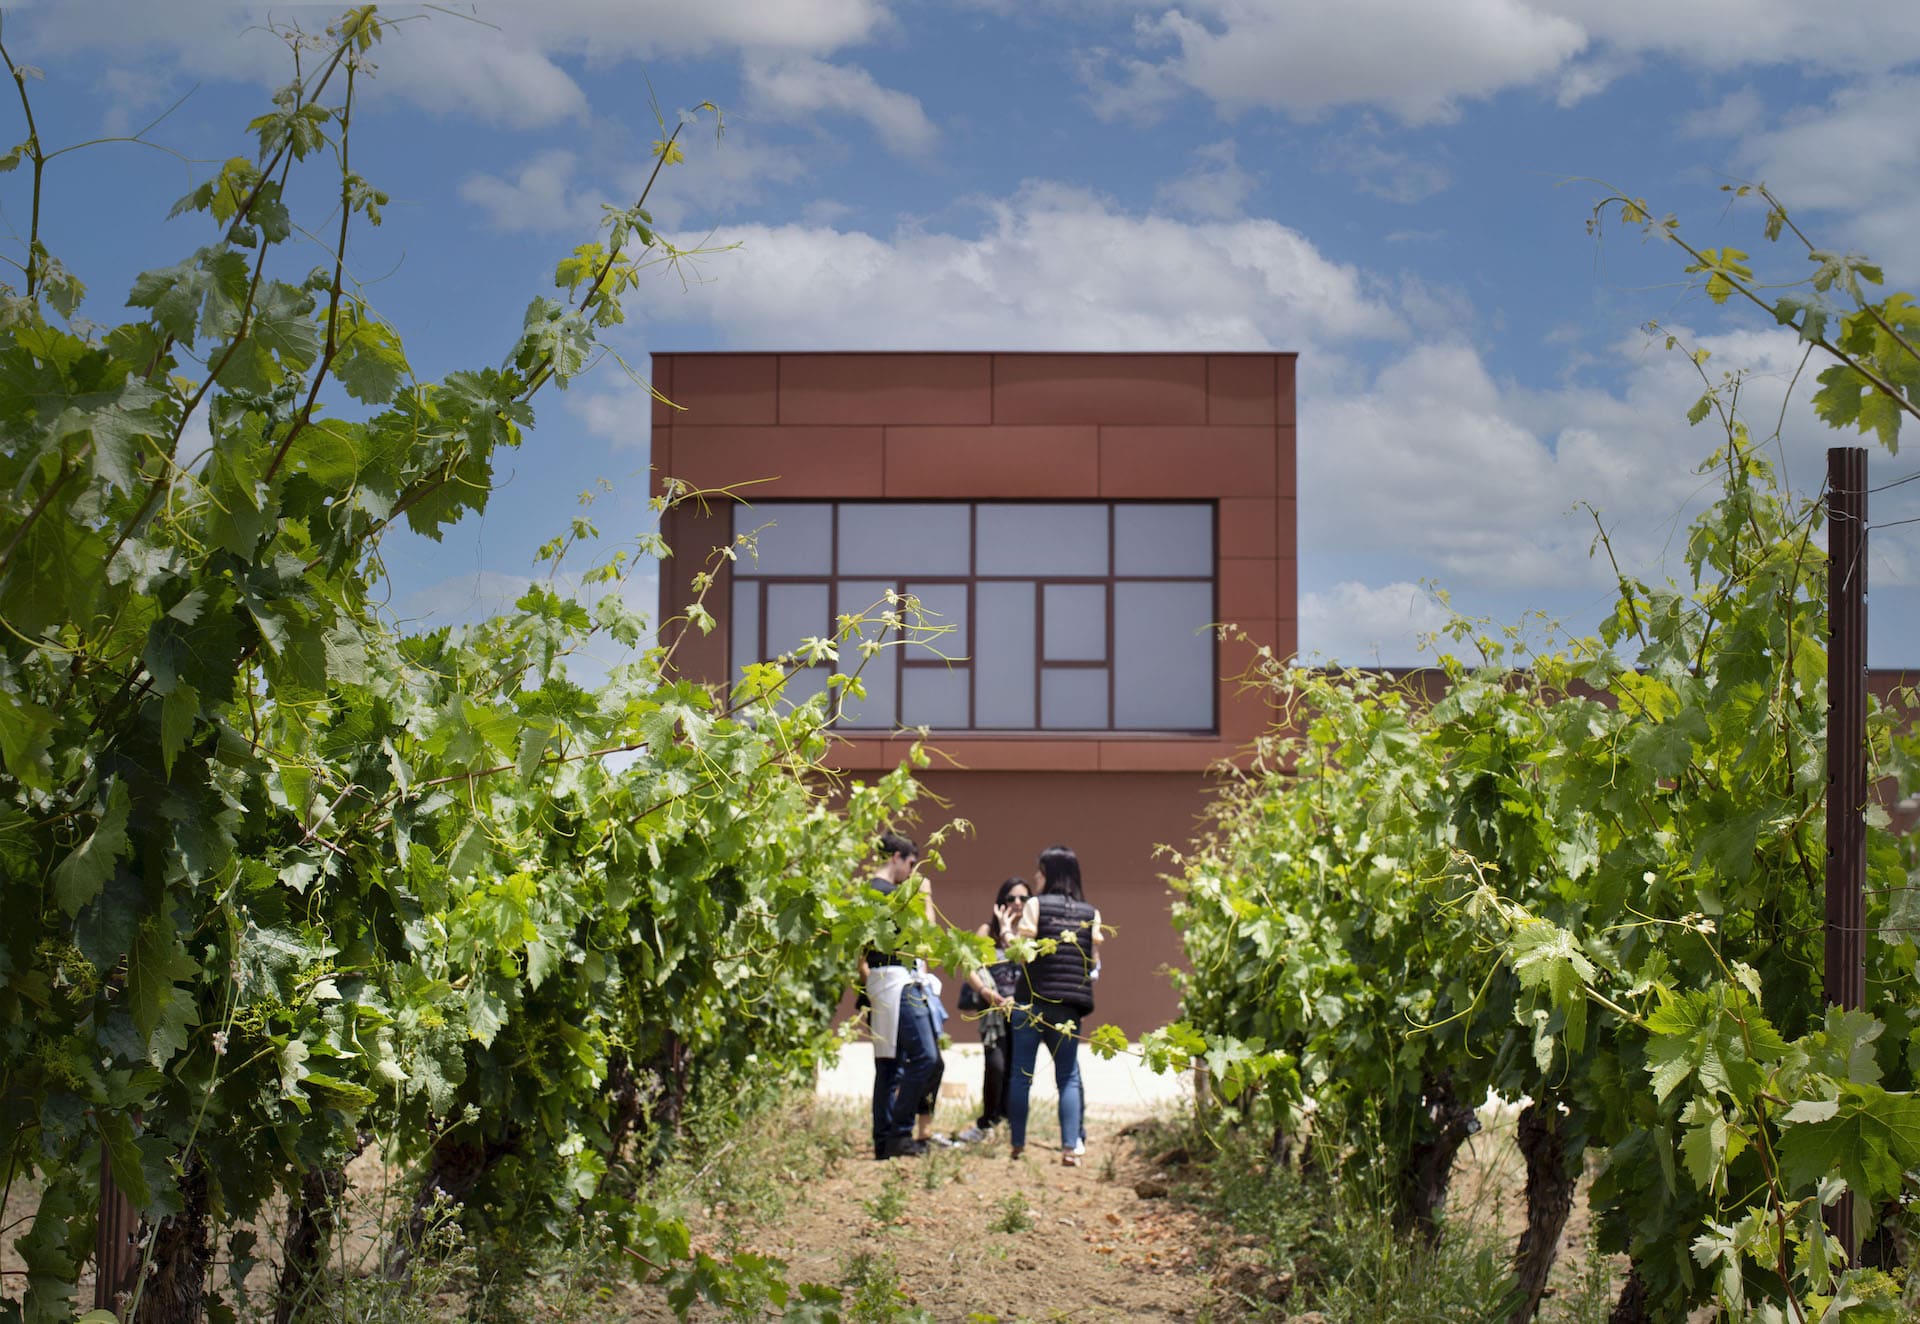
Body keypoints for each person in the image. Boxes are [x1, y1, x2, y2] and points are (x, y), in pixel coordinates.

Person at [1006, 845, 1105, 1166]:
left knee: (1022, 1074)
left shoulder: (1035, 906)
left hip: (1031, 1002)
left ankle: (1018, 1144)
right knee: (1068, 1077)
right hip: (1069, 1008)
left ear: (1050, 874)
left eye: (1040, 871)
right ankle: (1069, 1148)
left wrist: (1009, 936)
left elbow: (1022, 954)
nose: (1036, 876)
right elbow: (1093, 964)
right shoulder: (1091, 913)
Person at [861, 831, 941, 1160]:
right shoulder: (891, 896)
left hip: (880, 982)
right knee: (926, 1057)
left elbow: (861, 954)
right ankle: (900, 1132)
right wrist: (925, 897)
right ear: (896, 857)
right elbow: (927, 940)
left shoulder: (867, 894)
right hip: (898, 980)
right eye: (910, 863)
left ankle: (884, 1142)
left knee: (888, 1065)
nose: (912, 871)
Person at [954, 878, 1025, 1144]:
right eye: (1011, 898)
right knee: (995, 1064)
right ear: (1000, 902)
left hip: (1020, 1011)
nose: (1017, 903)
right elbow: (969, 965)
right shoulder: (988, 931)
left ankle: (1006, 1121)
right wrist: (986, 992)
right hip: (993, 1010)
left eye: (1023, 899)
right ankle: (987, 1120)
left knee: (1016, 1068)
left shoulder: (1029, 934)